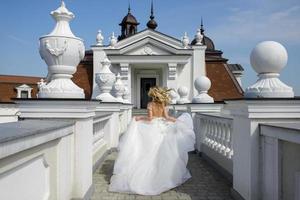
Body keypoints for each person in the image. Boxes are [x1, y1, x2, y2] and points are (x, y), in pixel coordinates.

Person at [108, 86, 195, 196]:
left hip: (153, 127)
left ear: (153, 96)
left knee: (148, 151)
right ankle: (164, 176)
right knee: (163, 152)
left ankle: (148, 175)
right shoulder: (163, 104)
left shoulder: (150, 105)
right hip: (162, 127)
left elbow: (149, 119)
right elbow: (167, 117)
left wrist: (139, 118)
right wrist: (178, 121)